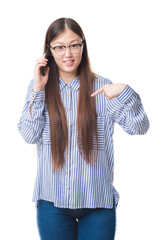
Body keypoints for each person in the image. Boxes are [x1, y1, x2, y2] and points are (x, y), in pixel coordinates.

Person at [18, 17, 149, 240]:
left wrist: (127, 92)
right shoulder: (38, 88)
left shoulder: (103, 88)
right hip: (52, 204)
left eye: (74, 45)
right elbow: (29, 135)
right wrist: (38, 89)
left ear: (82, 46)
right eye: (59, 47)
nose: (67, 54)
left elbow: (139, 127)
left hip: (97, 204)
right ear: (49, 50)